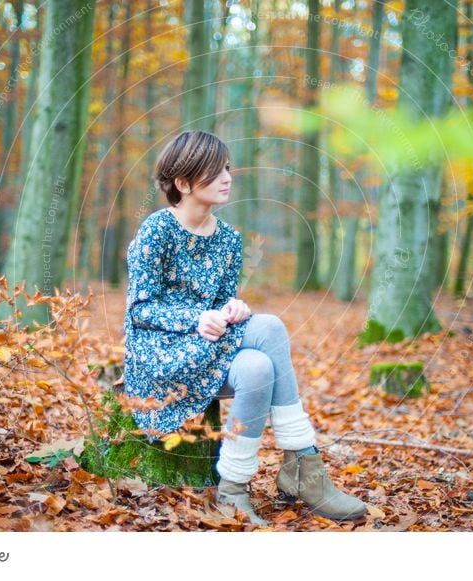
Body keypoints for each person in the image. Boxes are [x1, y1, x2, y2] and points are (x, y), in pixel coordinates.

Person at [123, 130, 367, 526]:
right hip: (160, 356)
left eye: (227, 168)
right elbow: (140, 309)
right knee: (269, 327)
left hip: (211, 348)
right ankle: (304, 465)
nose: (227, 177)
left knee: (257, 367)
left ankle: (233, 489)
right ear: (182, 183)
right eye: (214, 171)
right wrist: (194, 317)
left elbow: (221, 301)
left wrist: (232, 308)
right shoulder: (157, 230)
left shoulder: (229, 239)